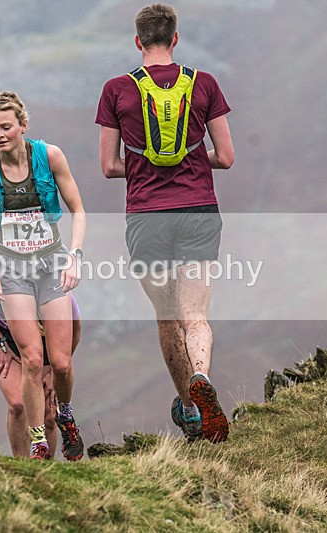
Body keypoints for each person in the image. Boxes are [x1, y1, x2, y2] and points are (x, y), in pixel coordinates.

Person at [96, 4, 235, 443]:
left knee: (167, 316)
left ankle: (190, 409)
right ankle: (202, 376)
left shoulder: (116, 90)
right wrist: (193, 161)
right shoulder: (204, 83)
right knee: (196, 316)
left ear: (138, 41)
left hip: (146, 217)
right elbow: (226, 158)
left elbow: (108, 166)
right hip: (198, 211)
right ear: (175, 38)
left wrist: (145, 168)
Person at [0, 92, 87, 460]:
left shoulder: (50, 157)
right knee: (33, 360)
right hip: (12, 270)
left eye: (6, 127)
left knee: (61, 363)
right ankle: (38, 442)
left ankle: (65, 415)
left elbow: (78, 210)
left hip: (52, 264)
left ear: (23, 125)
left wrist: (74, 258)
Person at [0, 278, 82, 457]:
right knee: (18, 406)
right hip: (6, 338)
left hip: (46, 343)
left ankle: (45, 465)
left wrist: (54, 372)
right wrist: (0, 343)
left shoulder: (56, 291)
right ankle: (22, 464)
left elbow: (75, 330)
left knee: (48, 414)